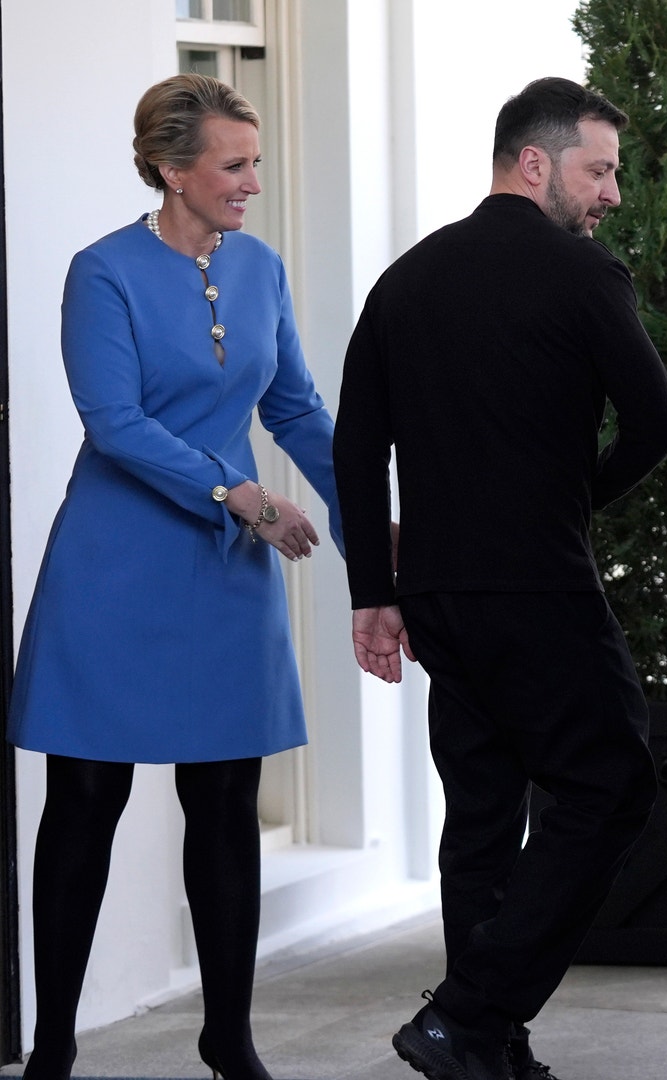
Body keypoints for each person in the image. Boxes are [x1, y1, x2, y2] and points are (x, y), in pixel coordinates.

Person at [332, 77, 667, 1080]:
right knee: (612, 785)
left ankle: (486, 1044)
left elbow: (358, 448)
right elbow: (653, 427)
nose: (611, 192)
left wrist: (372, 591)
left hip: (437, 595)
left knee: (482, 813)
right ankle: (468, 1015)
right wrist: (569, 507)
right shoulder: (583, 276)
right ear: (537, 161)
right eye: (599, 168)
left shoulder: (405, 279)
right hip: (541, 587)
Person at [7, 74, 344, 1080]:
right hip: (114, 570)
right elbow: (114, 425)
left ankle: (228, 1038)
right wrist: (238, 494)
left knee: (228, 804)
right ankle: (55, 1045)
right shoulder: (102, 272)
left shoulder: (260, 269)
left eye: (254, 163)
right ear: (170, 167)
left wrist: (375, 514)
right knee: (86, 802)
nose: (251, 183)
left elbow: (294, 407)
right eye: (234, 165)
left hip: (223, 582)